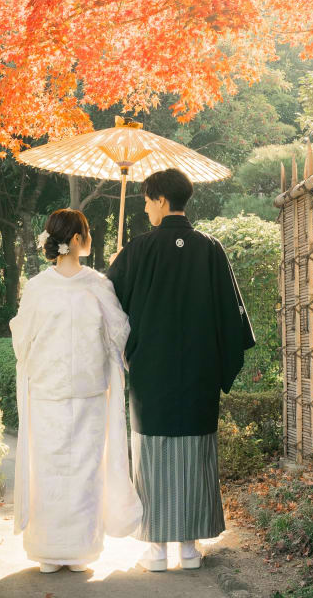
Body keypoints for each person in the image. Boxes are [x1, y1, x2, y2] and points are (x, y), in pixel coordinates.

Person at [107, 167, 254, 572]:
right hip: (198, 370)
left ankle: (156, 549)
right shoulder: (210, 248)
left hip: (151, 372)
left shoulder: (139, 248)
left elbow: (109, 303)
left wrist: (118, 266)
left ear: (160, 200)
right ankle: (189, 547)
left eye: (147, 201)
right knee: (194, 451)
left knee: (152, 453)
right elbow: (231, 315)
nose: (146, 209)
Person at [9, 208, 142, 573]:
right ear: (79, 239)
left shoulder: (39, 287)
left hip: (51, 391)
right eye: (87, 232)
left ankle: (51, 552)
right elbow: (120, 333)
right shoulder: (97, 285)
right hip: (85, 390)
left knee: (52, 469)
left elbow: (22, 339)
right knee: (83, 470)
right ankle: (77, 550)